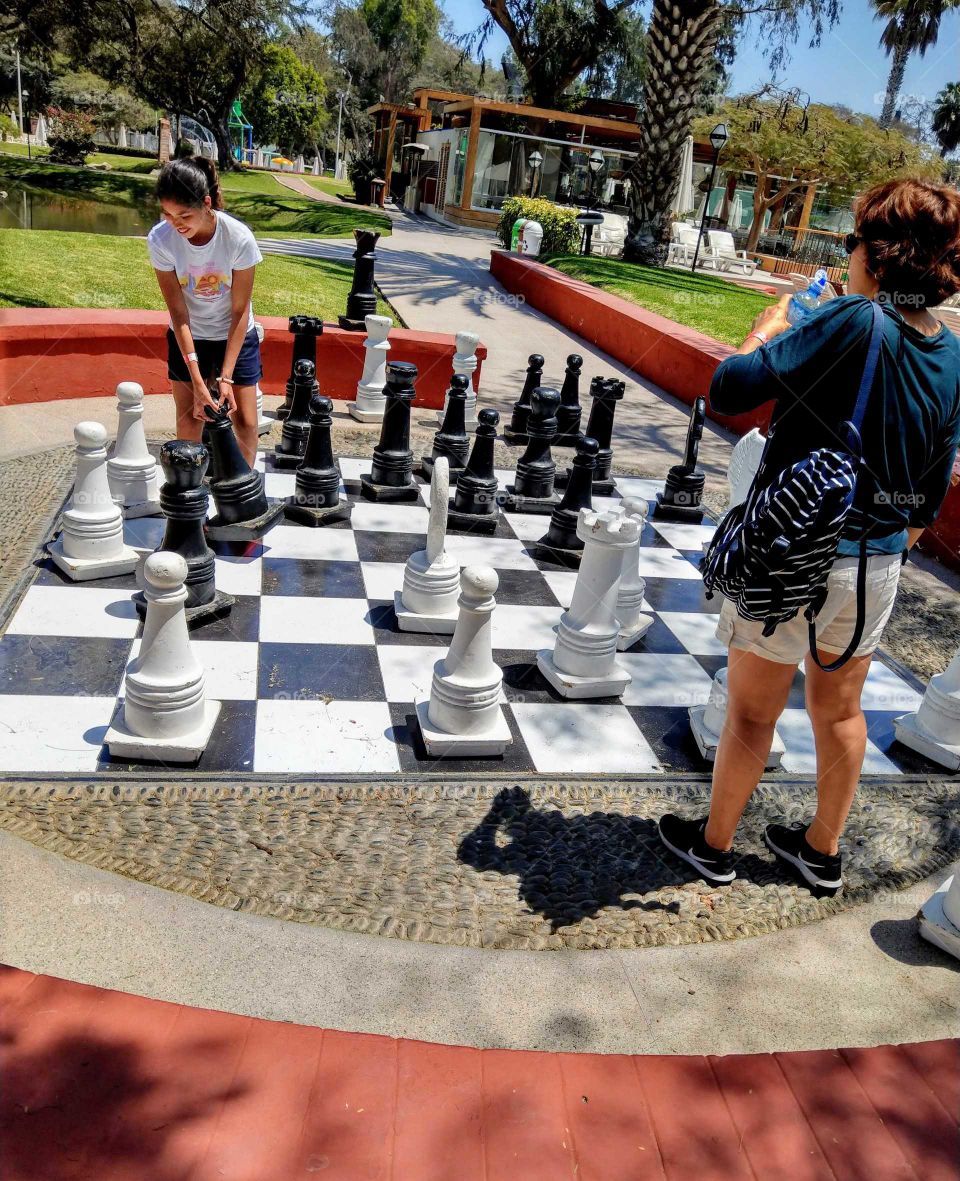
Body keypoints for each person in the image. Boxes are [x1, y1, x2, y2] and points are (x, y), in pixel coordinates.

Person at [658, 177, 960, 897]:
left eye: (855, 241)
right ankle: (821, 850)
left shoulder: (851, 318)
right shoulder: (950, 352)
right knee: (843, 711)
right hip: (878, 563)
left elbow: (730, 388)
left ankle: (715, 844)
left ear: (879, 257)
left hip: (796, 552)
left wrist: (770, 328)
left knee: (752, 712)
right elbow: (932, 483)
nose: (848, 253)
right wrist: (885, 546)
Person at [147, 157, 264, 466]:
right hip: (189, 334)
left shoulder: (239, 238)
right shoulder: (160, 239)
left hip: (234, 333)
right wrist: (199, 383)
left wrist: (224, 376)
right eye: (168, 215)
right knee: (189, 422)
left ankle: (243, 493)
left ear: (206, 203)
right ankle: (190, 495)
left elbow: (240, 310)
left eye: (184, 214)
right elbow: (177, 311)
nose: (176, 223)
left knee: (246, 423)